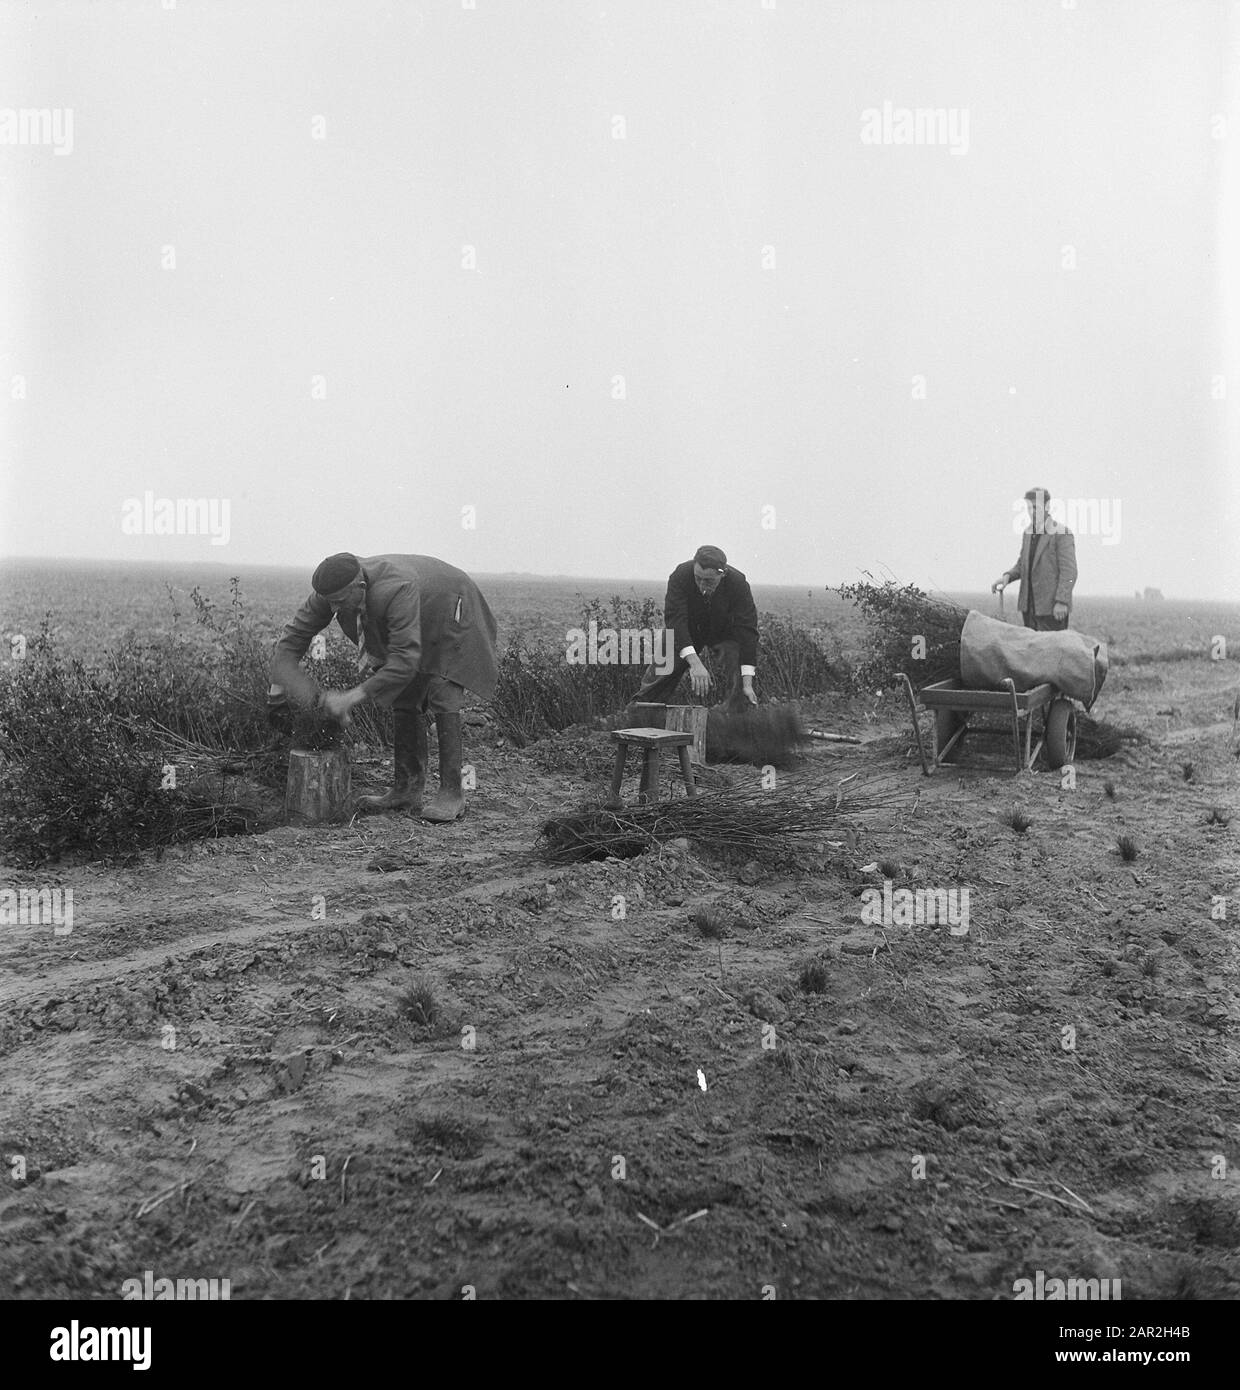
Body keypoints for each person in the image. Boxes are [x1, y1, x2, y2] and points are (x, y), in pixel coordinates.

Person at [267, 552, 498, 822]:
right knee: (404, 694)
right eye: (329, 602)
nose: (332, 610)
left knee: (441, 689)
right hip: (415, 607)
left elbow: (404, 660)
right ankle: (406, 789)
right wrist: (277, 692)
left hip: (449, 604)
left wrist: (350, 698)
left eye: (339, 603)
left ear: (360, 588)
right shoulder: (331, 591)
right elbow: (293, 638)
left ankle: (452, 793)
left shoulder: (396, 588)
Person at [632, 545, 759, 710]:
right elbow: (675, 620)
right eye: (698, 578)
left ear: (723, 574)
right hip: (684, 630)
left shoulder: (738, 584)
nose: (702, 585)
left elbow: (747, 632)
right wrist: (695, 663)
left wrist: (747, 683)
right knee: (660, 674)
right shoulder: (680, 575)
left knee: (740, 684)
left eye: (709, 581)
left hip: (723, 632)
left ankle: (733, 721)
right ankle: (638, 718)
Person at [992, 488, 1077, 631]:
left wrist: (1062, 602)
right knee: (1032, 652)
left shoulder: (1062, 533)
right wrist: (1007, 576)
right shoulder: (1027, 532)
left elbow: (1070, 572)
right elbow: (1023, 564)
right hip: (1029, 608)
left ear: (1048, 506)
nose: (1032, 512)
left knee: (1052, 652)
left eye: (1036, 507)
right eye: (1029, 508)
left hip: (1052, 610)